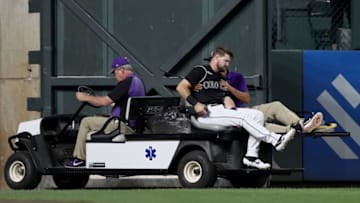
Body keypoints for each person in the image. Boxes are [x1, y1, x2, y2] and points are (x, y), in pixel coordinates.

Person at [176, 47, 296, 170]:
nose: (227, 65)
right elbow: (181, 87)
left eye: (229, 62)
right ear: (217, 57)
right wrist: (195, 104)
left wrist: (230, 105)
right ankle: (275, 139)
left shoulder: (220, 77)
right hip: (206, 114)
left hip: (220, 110)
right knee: (242, 118)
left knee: (257, 115)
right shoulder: (201, 71)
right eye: (226, 61)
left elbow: (224, 97)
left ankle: (251, 156)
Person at [65, 56, 146, 167]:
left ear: (121, 70)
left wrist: (85, 97)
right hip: (130, 123)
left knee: (85, 122)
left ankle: (80, 159)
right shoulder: (138, 81)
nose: (115, 76)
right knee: (97, 117)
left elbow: (104, 102)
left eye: (115, 73)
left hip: (122, 125)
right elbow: (119, 103)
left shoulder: (126, 83)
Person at [219, 66, 323, 134]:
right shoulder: (207, 85)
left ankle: (301, 124)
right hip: (234, 119)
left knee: (276, 106)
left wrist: (230, 88)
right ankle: (298, 129)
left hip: (246, 111)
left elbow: (245, 98)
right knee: (261, 125)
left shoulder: (229, 81)